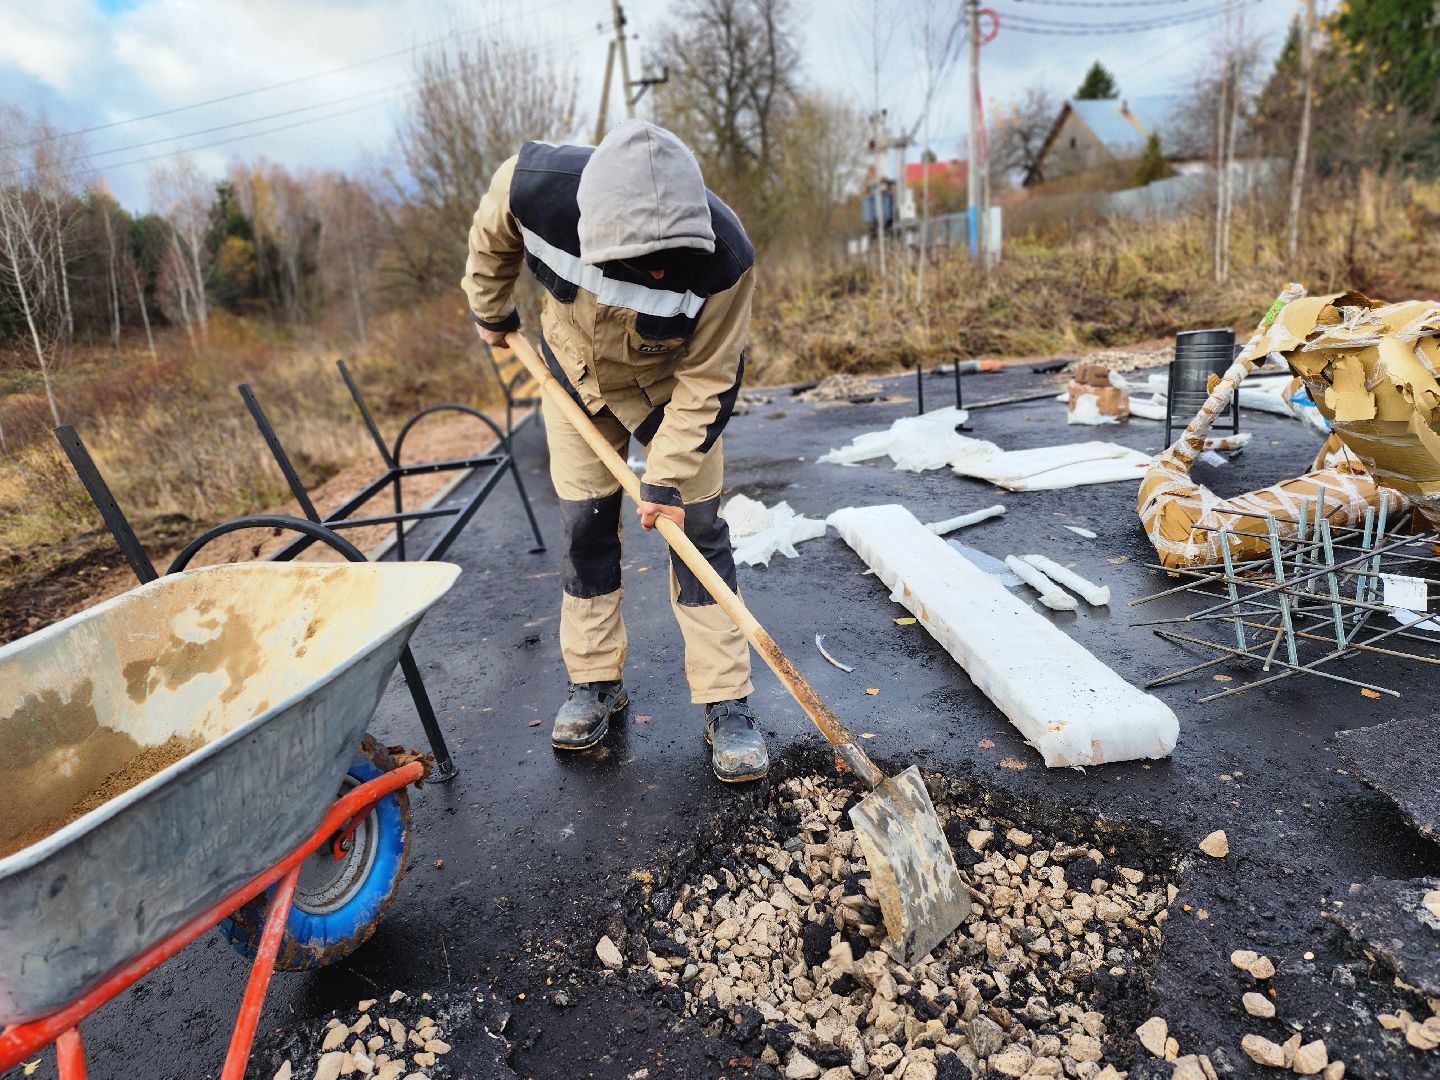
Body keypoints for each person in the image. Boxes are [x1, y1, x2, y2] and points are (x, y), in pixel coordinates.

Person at [461, 119, 766, 783]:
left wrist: (667, 479)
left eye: (669, 256)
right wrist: (490, 309)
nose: (657, 271)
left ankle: (726, 701)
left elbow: (710, 377)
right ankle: (595, 683)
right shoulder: (534, 189)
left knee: (700, 531)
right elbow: (492, 237)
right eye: (640, 257)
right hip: (575, 376)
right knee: (587, 528)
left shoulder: (727, 260)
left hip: (669, 389)